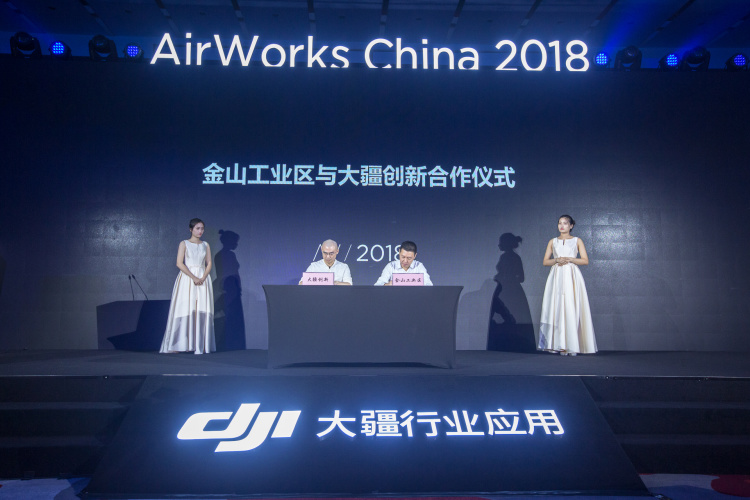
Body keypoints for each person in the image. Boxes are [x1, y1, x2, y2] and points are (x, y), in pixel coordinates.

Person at [538, 215, 596, 355]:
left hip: (571, 275)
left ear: (571, 226)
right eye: (560, 223)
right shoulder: (553, 241)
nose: (562, 226)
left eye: (565, 223)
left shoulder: (577, 241)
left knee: (571, 305)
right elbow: (545, 261)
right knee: (556, 306)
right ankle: (557, 344)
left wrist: (570, 259)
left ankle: (572, 345)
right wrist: (556, 260)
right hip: (556, 275)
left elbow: (585, 260)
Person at [160, 218, 216, 354]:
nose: (200, 231)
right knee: (185, 309)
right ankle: (178, 344)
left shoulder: (205, 245)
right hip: (187, 278)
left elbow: (209, 263)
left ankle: (200, 345)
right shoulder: (184, 243)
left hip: (203, 278)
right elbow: (179, 263)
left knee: (202, 309)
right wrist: (194, 277)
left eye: (202, 228)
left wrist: (203, 277)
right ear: (191, 229)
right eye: (197, 228)